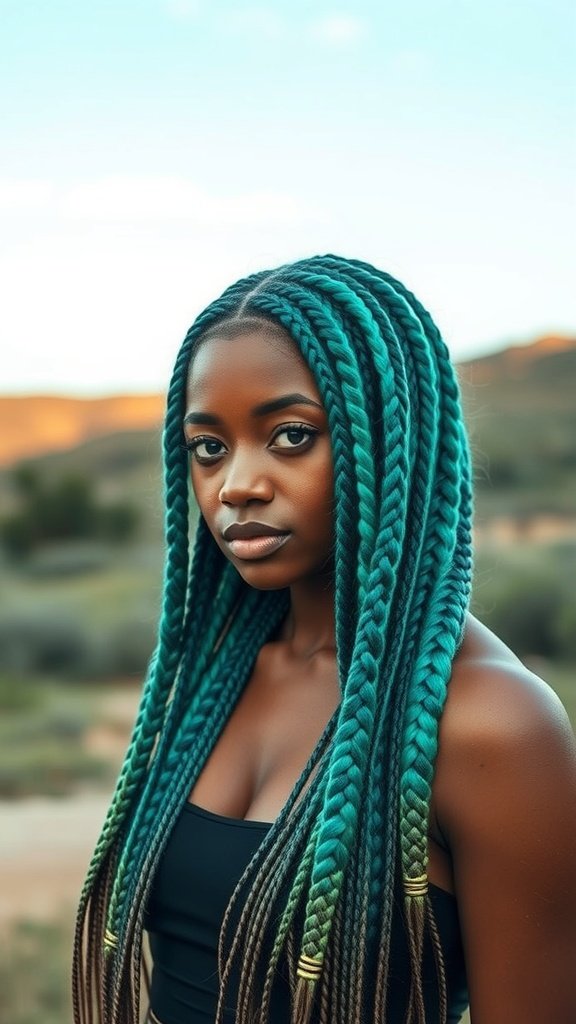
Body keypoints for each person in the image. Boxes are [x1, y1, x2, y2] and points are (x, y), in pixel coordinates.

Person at [73, 255, 576, 1024]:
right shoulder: (214, 676)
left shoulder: (493, 722)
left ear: (394, 441)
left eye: (290, 435)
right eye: (209, 447)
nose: (237, 484)